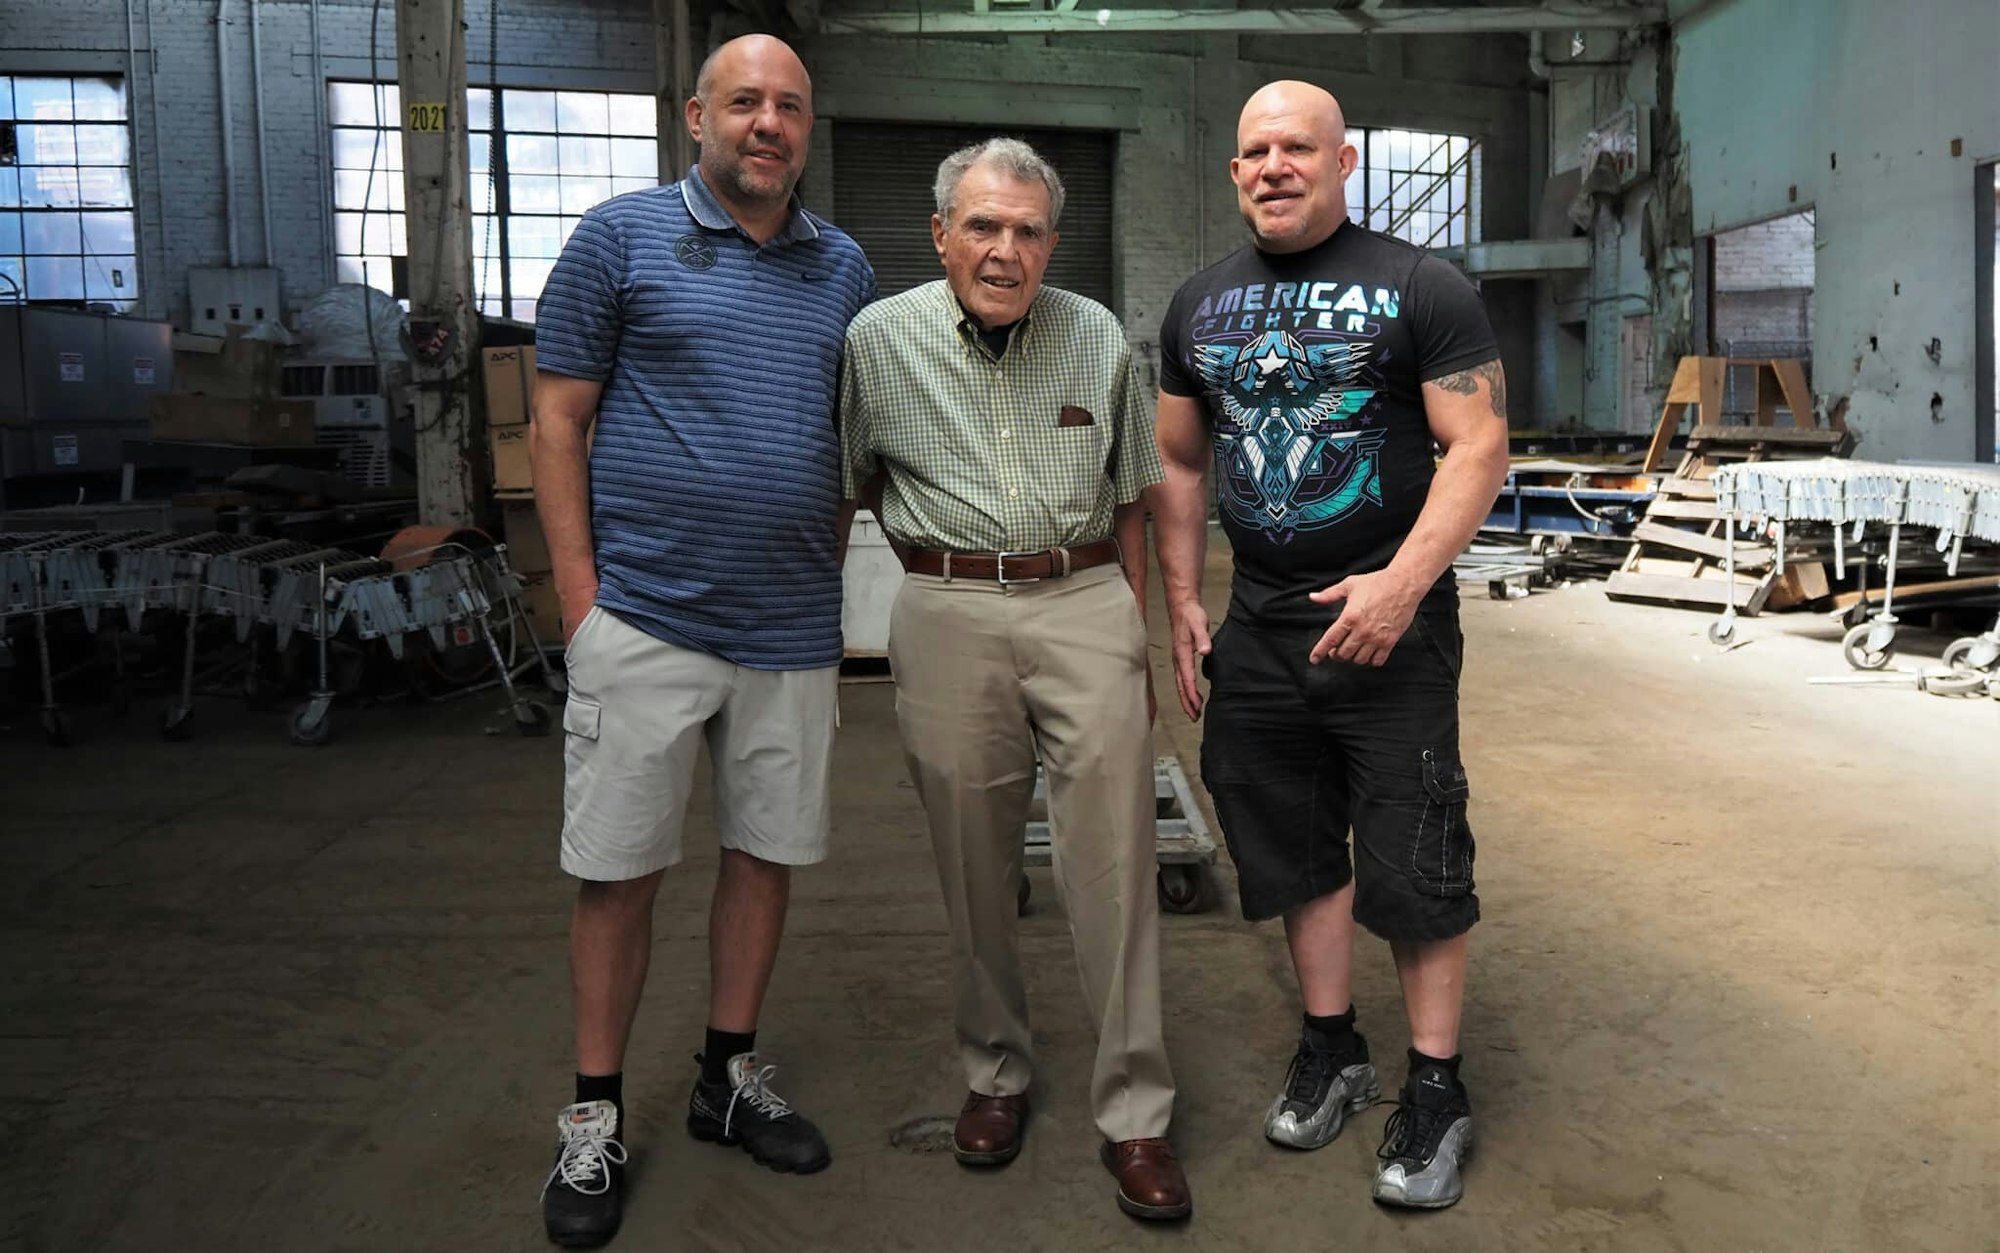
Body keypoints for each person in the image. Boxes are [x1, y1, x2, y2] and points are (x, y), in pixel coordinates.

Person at [527, 33, 875, 1248]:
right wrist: (582, 604)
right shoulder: (617, 239)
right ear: (694, 117)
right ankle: (595, 1113)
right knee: (618, 871)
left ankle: (728, 1074)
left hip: (787, 630)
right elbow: (555, 422)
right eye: (743, 102)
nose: (766, 123)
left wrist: (819, 571)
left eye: (787, 105)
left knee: (762, 853)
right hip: (648, 619)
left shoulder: (843, 267)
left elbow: (840, 440)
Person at [1151, 81, 1511, 1211]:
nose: (1273, 165)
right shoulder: (1196, 303)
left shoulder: (1420, 284)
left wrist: (1403, 585)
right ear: (1232, 171)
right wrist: (1181, 596)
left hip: (1388, 630)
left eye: (1295, 147)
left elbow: (1478, 445)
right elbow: (1175, 461)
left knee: (1413, 857)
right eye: (1253, 149)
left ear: (1341, 159)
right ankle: (1331, 1045)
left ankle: (1436, 1084)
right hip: (1257, 625)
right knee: (1290, 845)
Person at [837, 138, 1191, 1222]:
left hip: (1083, 599)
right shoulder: (875, 340)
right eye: (982, 226)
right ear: (940, 233)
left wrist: (1136, 629)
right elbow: (851, 481)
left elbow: (1134, 490)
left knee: (1116, 864)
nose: (1005, 249)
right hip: (943, 607)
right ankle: (995, 1073)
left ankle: (1134, 1113)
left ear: (1052, 241)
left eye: (1028, 229)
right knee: (971, 857)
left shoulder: (1094, 338)